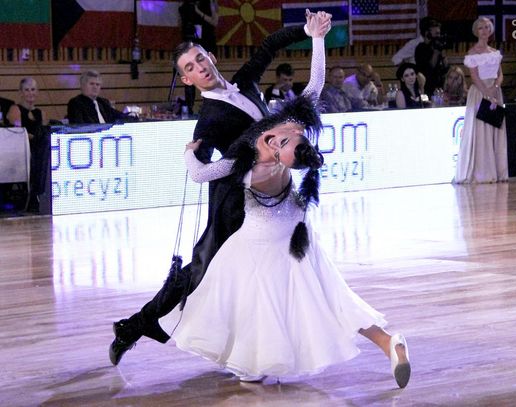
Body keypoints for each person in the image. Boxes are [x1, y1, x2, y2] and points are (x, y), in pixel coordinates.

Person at [109, 11, 332, 366]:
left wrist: (308, 31)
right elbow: (202, 168)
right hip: (233, 202)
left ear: (211, 57)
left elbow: (269, 45)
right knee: (199, 275)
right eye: (191, 67)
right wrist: (190, 157)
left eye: (201, 58)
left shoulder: (244, 82)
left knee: (264, 271)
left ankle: (260, 349)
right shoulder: (209, 118)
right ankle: (134, 327)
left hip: (269, 194)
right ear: (187, 79)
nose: (200, 67)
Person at [159, 95, 411, 387]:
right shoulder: (291, 126)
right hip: (297, 237)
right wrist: (317, 59)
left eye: (278, 147)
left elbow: (199, 174)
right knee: (330, 297)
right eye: (281, 140)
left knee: (248, 299)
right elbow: (315, 86)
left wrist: (189, 153)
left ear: (281, 155)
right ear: (295, 135)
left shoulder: (253, 164)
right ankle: (388, 342)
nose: (272, 143)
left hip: (261, 241)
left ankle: (252, 361)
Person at [454, 17, 508, 184]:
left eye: (486, 27)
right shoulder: (472, 53)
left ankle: (498, 171)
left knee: (494, 129)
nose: (484, 31)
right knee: (481, 131)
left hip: (495, 92)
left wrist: (495, 87)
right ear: (476, 31)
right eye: (481, 28)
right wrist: (487, 93)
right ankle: (482, 173)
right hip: (480, 93)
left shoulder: (494, 52)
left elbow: (500, 74)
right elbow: (475, 77)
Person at [6, 77, 51, 212]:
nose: (30, 93)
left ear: (37, 92)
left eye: (33, 89)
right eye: (27, 90)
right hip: (21, 150)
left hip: (38, 149)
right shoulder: (15, 110)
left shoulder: (41, 113)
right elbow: (18, 132)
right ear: (21, 92)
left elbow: (44, 133)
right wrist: (34, 138)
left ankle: (42, 195)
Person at [178, 0, 219, 115]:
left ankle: (210, 106)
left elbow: (214, 22)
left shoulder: (209, 2)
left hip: (206, 43)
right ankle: (189, 107)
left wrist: (198, 12)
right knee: (189, 76)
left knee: (207, 76)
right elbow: (180, 24)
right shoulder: (185, 5)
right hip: (190, 45)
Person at [414, 17, 449, 98]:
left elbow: (446, 68)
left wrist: (443, 55)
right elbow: (428, 69)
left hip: (440, 87)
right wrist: (436, 52)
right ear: (427, 33)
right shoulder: (420, 48)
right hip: (427, 88)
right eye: (436, 33)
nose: (438, 36)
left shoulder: (437, 46)